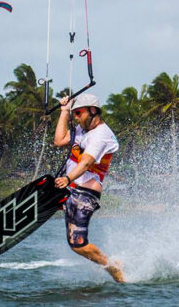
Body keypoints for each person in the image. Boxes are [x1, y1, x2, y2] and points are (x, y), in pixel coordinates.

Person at [53, 93, 125, 283]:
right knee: (74, 244)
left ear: (93, 111)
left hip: (84, 193)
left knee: (78, 244)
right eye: (74, 114)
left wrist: (68, 178)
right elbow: (59, 141)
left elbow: (86, 163)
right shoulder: (81, 130)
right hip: (72, 189)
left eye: (79, 113)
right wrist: (64, 111)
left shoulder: (101, 135)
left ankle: (113, 267)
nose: (76, 117)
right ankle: (112, 264)